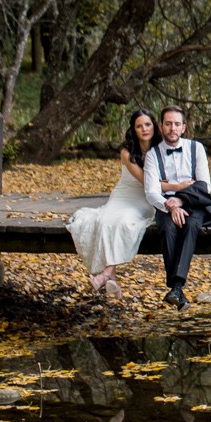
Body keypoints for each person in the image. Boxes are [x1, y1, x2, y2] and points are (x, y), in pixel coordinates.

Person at [67, 110, 158, 298]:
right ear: (134, 130)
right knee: (105, 220)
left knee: (124, 221)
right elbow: (144, 179)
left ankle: (107, 274)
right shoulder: (127, 152)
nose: (144, 129)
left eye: (147, 125)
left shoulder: (160, 148)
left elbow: (151, 187)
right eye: (139, 126)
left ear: (154, 126)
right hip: (124, 195)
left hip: (144, 199)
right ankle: (111, 275)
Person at [143, 105, 211, 307]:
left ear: (183, 127)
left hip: (193, 202)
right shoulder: (152, 155)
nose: (172, 128)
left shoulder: (196, 148)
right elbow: (151, 191)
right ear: (161, 127)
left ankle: (175, 287)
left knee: (191, 225)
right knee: (167, 228)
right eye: (168, 124)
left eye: (176, 124)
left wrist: (181, 200)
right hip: (165, 204)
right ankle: (177, 290)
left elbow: (205, 184)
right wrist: (170, 206)